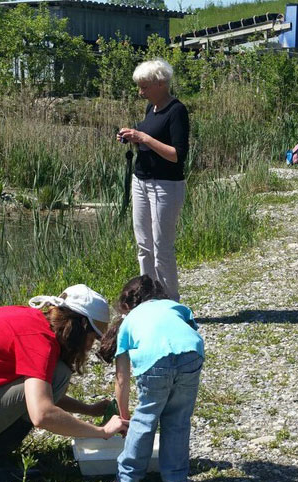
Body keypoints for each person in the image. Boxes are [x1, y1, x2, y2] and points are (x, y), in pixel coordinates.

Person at [0, 285, 128, 482]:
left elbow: (39, 393)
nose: (90, 346)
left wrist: (88, 410)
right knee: (58, 374)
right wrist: (102, 433)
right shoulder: (38, 341)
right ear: (80, 326)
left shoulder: (32, 320)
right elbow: (42, 413)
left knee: (56, 374)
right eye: (92, 338)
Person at [98, 275, 204, 482]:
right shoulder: (176, 307)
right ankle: (175, 481)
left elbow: (122, 379)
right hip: (191, 354)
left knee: (145, 419)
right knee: (178, 420)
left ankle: (128, 480)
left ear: (126, 305)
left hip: (154, 361)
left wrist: (125, 417)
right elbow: (187, 332)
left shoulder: (129, 321)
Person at [117, 58, 190, 302]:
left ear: (160, 84)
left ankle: (170, 303)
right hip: (141, 182)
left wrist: (144, 138)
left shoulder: (176, 110)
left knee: (162, 249)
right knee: (144, 246)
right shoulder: (152, 109)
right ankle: (146, 299)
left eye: (144, 87)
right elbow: (148, 136)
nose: (141, 92)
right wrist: (133, 137)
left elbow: (176, 155)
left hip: (165, 185)